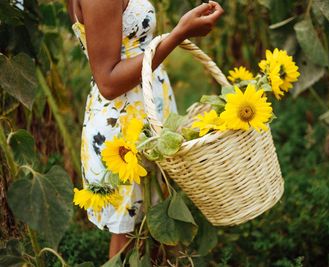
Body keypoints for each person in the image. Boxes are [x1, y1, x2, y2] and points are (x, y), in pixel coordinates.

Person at [66, 0, 224, 259]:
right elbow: (108, 81)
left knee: (159, 220)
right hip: (125, 125)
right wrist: (178, 35)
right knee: (130, 234)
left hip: (145, 106)